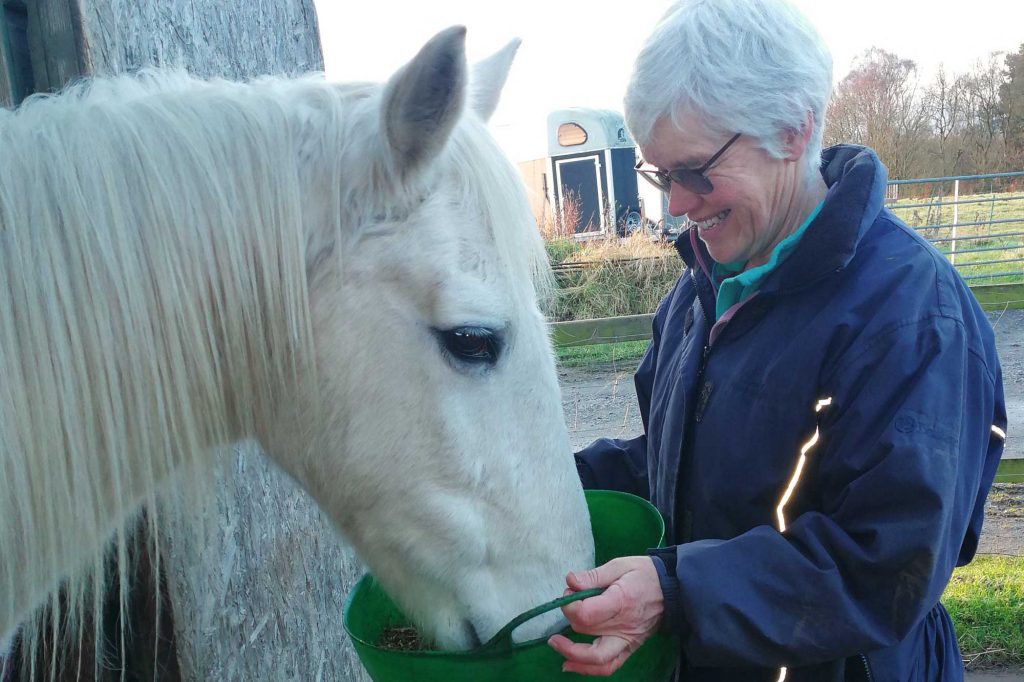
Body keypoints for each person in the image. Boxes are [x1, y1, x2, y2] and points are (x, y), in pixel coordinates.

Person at [545, 0, 1008, 680]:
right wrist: (548, 484)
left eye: (695, 171)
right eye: (660, 175)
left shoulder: (912, 314)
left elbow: (888, 566)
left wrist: (677, 591)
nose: (675, 203)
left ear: (794, 130)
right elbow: (682, 465)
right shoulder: (695, 296)